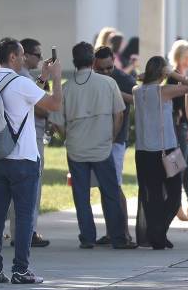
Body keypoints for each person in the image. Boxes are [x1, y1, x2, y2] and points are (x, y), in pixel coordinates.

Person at [0, 38, 62, 284]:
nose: (25, 58)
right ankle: (20, 270)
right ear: (13, 57)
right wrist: (57, 78)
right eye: (21, 55)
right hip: (24, 158)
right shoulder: (20, 82)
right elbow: (53, 104)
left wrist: (43, 77)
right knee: (24, 215)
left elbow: (25, 100)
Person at [51, 42, 136, 250]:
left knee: (81, 195)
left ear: (74, 62)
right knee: (110, 192)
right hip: (102, 145)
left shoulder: (66, 87)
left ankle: (87, 237)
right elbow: (119, 113)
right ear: (92, 61)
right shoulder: (108, 84)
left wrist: (67, 137)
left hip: (76, 147)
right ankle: (117, 237)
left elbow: (57, 121)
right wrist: (111, 136)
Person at [134, 56, 188, 249]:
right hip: (167, 148)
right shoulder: (163, 91)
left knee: (152, 195)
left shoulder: (137, 90)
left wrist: (146, 75)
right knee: (175, 195)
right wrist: (173, 74)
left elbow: (138, 79)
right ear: (162, 72)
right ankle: (158, 232)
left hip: (144, 151)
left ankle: (157, 233)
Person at [10, 38, 52, 248]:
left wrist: (43, 78)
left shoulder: (15, 77)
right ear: (24, 55)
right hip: (31, 137)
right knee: (31, 188)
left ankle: (21, 233)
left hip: (19, 137)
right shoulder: (23, 77)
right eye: (37, 54)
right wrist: (52, 79)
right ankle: (28, 233)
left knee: (14, 190)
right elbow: (45, 106)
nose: (40, 58)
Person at [93, 46, 136, 243]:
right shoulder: (92, 78)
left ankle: (125, 232)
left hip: (117, 139)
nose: (105, 72)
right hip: (97, 138)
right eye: (101, 69)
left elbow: (137, 98)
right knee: (105, 187)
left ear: (114, 62)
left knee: (116, 186)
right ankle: (112, 231)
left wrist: (115, 92)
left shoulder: (123, 79)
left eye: (109, 68)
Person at [167, 40, 188, 221]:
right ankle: (176, 206)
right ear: (181, 56)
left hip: (185, 126)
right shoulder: (175, 76)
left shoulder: (182, 74)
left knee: (187, 166)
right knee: (178, 167)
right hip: (178, 127)